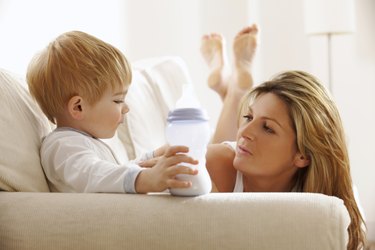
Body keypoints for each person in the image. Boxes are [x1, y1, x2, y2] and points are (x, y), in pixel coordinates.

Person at [201, 25, 366, 249]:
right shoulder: (217, 162)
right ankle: (235, 91)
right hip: (223, 160)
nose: (245, 131)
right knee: (224, 150)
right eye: (248, 117)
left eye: (268, 128)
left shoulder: (331, 206)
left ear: (302, 155)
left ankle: (231, 89)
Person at [26, 31, 198, 194]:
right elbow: (95, 175)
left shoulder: (81, 142)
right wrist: (145, 179)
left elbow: (112, 175)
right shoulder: (62, 145)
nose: (126, 108)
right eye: (118, 100)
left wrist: (152, 157)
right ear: (78, 107)